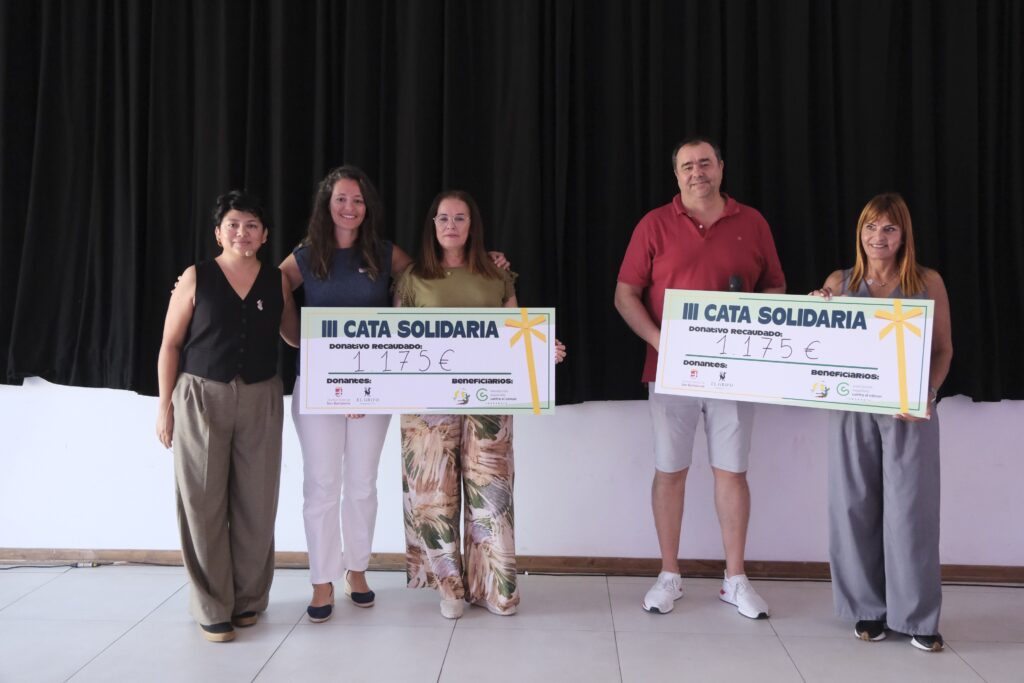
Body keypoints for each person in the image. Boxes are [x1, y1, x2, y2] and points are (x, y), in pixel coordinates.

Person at [279, 167, 510, 622]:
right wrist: (295, 336)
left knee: (362, 482)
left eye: (358, 200)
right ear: (327, 204)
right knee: (321, 484)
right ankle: (322, 580)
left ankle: (357, 571)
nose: (349, 208)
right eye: (341, 199)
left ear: (368, 208)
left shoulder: (384, 253)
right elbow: (274, 286)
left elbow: (436, 274)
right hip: (321, 386)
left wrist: (486, 259)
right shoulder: (305, 255)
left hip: (374, 388)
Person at [614, 137, 785, 618]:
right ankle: (669, 575)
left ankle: (736, 579)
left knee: (732, 471)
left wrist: (750, 325)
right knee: (670, 471)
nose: (697, 172)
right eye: (687, 166)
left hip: (736, 373)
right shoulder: (654, 224)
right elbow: (625, 294)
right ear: (677, 174)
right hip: (670, 371)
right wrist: (660, 340)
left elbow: (775, 286)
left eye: (705, 163)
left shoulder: (752, 222)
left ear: (721, 168)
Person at [394, 190, 566, 619]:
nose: (451, 225)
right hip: (427, 404)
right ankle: (449, 589)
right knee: (433, 494)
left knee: (490, 491)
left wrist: (541, 351)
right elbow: (396, 342)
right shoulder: (413, 278)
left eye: (460, 218)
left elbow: (516, 332)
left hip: (488, 400)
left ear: (472, 226)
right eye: (443, 218)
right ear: (432, 225)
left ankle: (495, 589)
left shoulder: (496, 274)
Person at [810, 192, 952, 652]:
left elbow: (943, 349)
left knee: (911, 511)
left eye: (889, 228)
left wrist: (928, 394)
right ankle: (867, 610)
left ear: (904, 234)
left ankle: (917, 616)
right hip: (851, 411)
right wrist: (815, 310)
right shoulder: (840, 282)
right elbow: (818, 348)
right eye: (871, 227)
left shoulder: (927, 282)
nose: (879, 236)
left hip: (909, 412)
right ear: (860, 232)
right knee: (854, 506)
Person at [156, 190, 299, 642]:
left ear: (265, 235)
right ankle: (211, 605)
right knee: (202, 503)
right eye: (233, 225)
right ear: (219, 233)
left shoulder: (276, 280)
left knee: (257, 502)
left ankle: (248, 599)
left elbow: (295, 336)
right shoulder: (195, 276)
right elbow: (170, 345)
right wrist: (164, 407)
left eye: (252, 225)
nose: (243, 233)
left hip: (261, 396)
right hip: (201, 395)